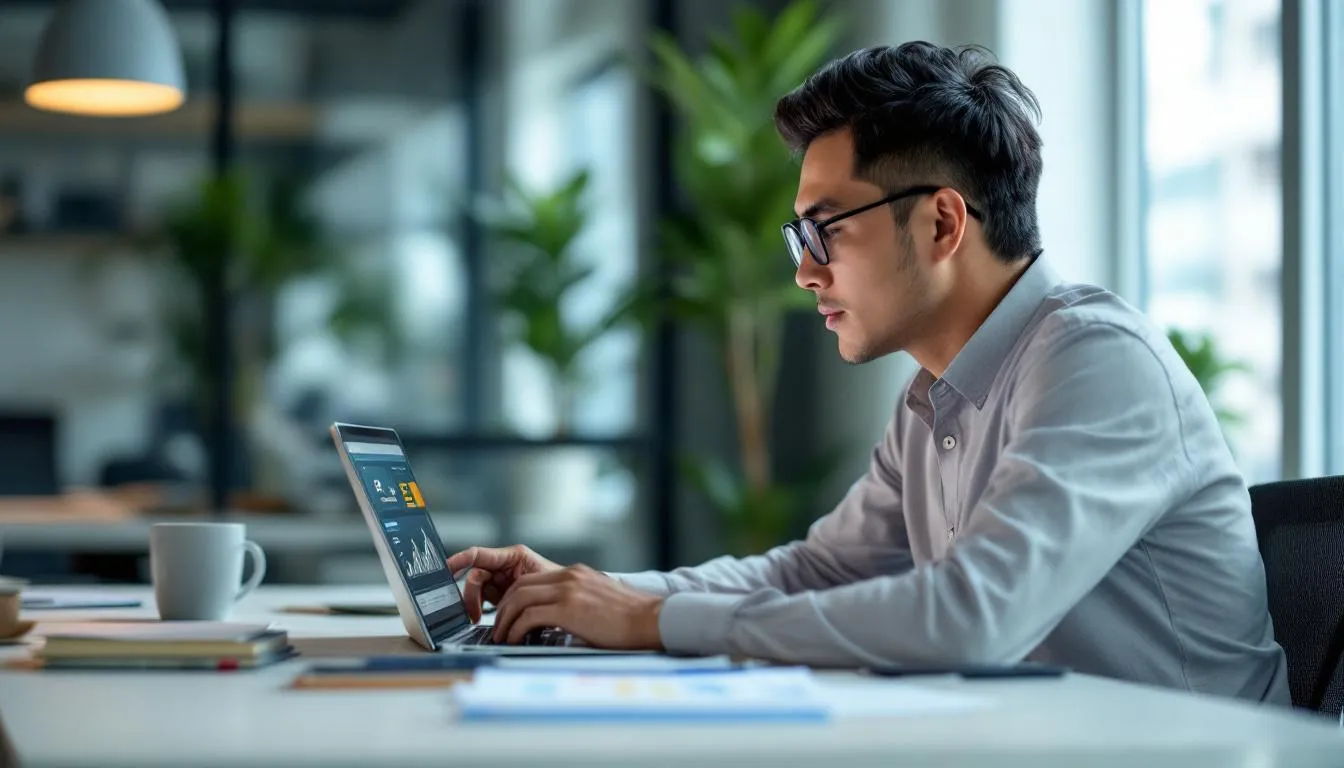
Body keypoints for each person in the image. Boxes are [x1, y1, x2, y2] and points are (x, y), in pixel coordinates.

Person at [446, 41, 1290, 704]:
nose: (805, 273)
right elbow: (812, 573)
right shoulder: (935, 397)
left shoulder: (1099, 362)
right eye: (797, 239)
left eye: (826, 231)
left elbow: (970, 618)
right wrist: (586, 594)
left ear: (941, 223)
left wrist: (653, 619)